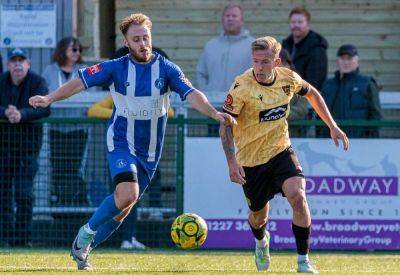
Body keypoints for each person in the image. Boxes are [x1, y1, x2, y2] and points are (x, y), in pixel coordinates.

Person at [30, 13, 235, 270]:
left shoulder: (167, 69)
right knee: (128, 193)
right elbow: (79, 83)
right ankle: (87, 230)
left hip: (150, 151)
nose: (143, 43)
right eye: (136, 39)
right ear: (127, 43)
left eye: (146, 38)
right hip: (120, 140)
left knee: (123, 208)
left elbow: (192, 94)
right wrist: (49, 98)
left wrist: (215, 113)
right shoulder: (115, 67)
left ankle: (84, 250)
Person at [219, 36, 349, 273]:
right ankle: (261, 241)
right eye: (256, 62)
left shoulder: (288, 78)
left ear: (277, 61)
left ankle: (303, 260)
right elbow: (225, 125)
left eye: (265, 62)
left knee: (298, 196)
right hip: (250, 160)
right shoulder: (241, 87)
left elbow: (312, 94)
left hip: (280, 150)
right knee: (258, 217)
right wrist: (231, 161)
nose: (259, 67)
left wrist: (332, 125)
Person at [0, 48, 50, 247]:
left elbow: (45, 108)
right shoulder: (1, 80)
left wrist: (22, 114)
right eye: (14, 61)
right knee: (3, 194)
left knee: (24, 193)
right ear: (8, 64)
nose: (18, 65)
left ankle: (23, 239)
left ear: (28, 64)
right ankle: (4, 238)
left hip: (28, 149)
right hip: (3, 150)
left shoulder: (37, 82)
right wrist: (6, 112)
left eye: (22, 60)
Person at [42, 37, 89, 206]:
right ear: (63, 51)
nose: (77, 53)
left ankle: (75, 204)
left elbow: (93, 93)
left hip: (78, 128)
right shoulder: (50, 70)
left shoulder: (83, 70)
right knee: (58, 167)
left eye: (79, 50)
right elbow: (45, 92)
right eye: (73, 49)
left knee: (75, 167)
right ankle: (59, 203)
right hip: (57, 127)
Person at [321, 44, 382, 137]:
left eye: (349, 58)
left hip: (360, 142)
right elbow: (320, 114)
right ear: (337, 61)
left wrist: (370, 140)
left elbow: (376, 115)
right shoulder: (328, 85)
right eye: (343, 58)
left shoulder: (367, 83)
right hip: (331, 141)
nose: (346, 62)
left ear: (357, 62)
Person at [196, 4, 254, 94]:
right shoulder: (211, 46)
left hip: (242, 104)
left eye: (234, 16)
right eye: (227, 16)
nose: (230, 18)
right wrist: (207, 92)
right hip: (213, 104)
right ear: (222, 20)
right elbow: (201, 73)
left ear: (241, 21)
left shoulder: (253, 46)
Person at [282, 7, 328, 91]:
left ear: (308, 24)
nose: (296, 25)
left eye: (300, 22)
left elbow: (314, 83)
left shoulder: (316, 49)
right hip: (287, 96)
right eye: (293, 22)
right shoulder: (286, 46)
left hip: (307, 100)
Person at [280, 48, 309, 137]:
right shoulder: (258, 84)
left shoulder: (298, 84)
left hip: (291, 137)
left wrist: (280, 114)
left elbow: (302, 109)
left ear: (288, 65)